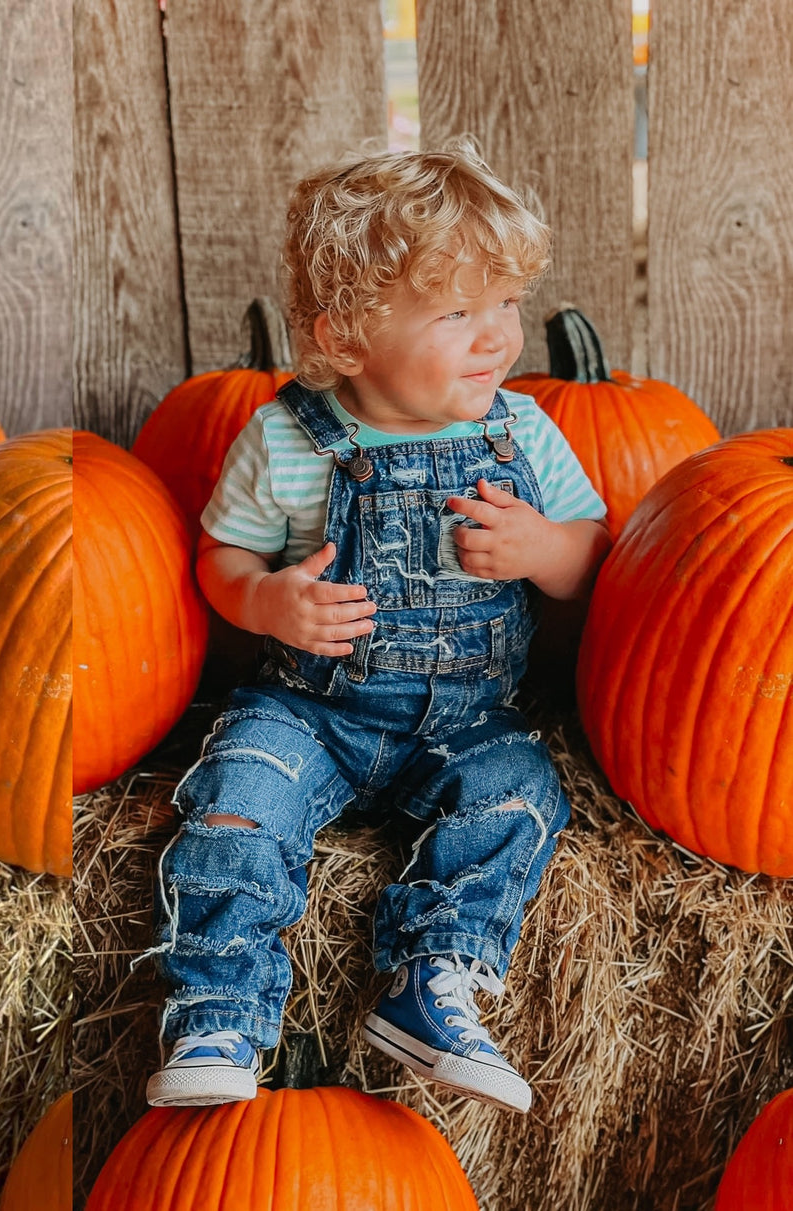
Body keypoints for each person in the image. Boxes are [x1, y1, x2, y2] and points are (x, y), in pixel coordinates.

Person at [143, 144, 610, 1114]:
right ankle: (217, 1008)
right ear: (347, 339)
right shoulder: (289, 437)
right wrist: (267, 600)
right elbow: (217, 561)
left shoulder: (520, 433)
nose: (493, 338)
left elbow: (593, 557)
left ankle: (430, 977)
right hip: (313, 708)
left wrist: (536, 548)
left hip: (465, 716)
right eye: (454, 313)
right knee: (238, 797)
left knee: (518, 795)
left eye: (502, 305)